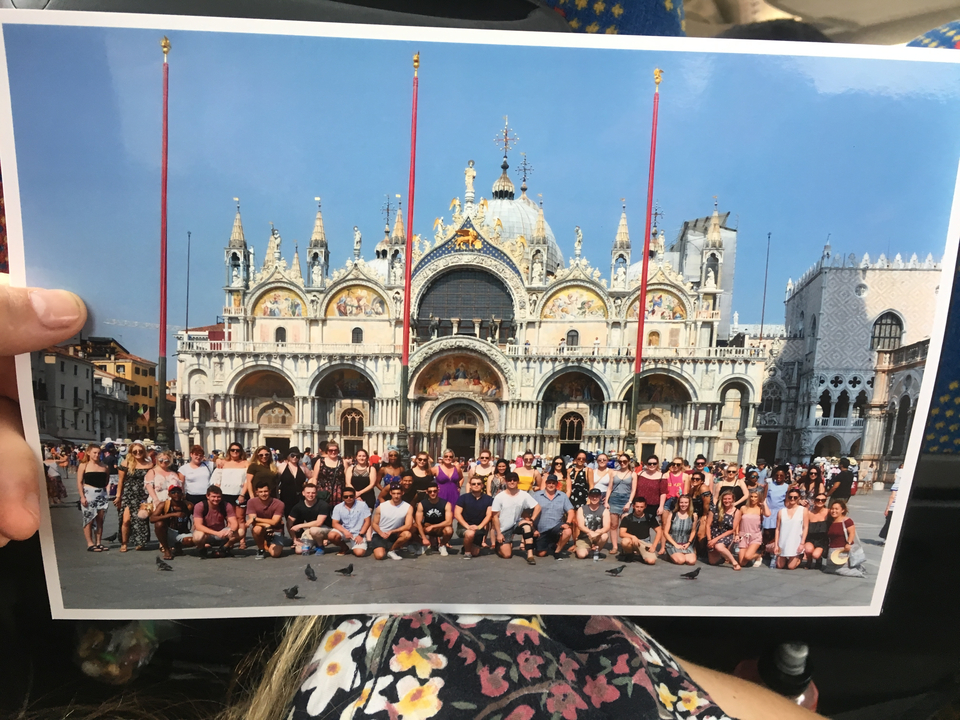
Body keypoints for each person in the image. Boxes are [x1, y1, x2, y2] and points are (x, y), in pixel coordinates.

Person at [114, 441, 154, 552]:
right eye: (135, 451)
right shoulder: (126, 463)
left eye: (140, 451)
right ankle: (124, 543)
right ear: (131, 452)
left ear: (144, 451)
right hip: (128, 494)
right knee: (126, 520)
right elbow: (120, 481)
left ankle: (140, 542)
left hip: (142, 495)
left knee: (141, 519)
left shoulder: (149, 465)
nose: (138, 453)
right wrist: (118, 496)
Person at [491, 471, 539, 563]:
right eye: (509, 480)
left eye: (514, 480)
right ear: (506, 481)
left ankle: (530, 555)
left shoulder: (524, 495)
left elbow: (537, 507)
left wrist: (532, 520)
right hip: (504, 527)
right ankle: (499, 546)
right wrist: (499, 533)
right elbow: (495, 517)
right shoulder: (500, 497)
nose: (512, 482)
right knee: (507, 555)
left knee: (527, 527)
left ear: (518, 481)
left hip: (517, 523)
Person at [76, 443, 110, 552]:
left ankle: (98, 542)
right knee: (88, 519)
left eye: (99, 453)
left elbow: (107, 480)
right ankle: (90, 543)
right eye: (94, 453)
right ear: (89, 453)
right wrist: (82, 496)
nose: (97, 455)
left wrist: (107, 492)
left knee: (100, 519)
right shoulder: (84, 465)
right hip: (88, 493)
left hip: (101, 494)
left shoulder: (104, 466)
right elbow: (79, 482)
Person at [531, 473, 574, 558]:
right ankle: (549, 544)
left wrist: (568, 523)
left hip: (556, 526)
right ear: (546, 483)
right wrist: (533, 529)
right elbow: (527, 512)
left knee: (568, 531)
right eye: (549, 483)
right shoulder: (537, 495)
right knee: (541, 554)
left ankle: (557, 551)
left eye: (553, 483)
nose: (551, 485)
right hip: (541, 529)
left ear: (556, 484)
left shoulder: (562, 496)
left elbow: (571, 511)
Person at [822, 499, 867, 578]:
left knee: (842, 570)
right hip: (832, 550)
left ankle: (858, 571)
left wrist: (848, 543)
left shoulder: (847, 521)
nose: (833, 511)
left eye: (836, 509)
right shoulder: (830, 521)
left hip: (843, 549)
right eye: (832, 509)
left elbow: (852, 533)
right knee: (830, 569)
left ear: (842, 510)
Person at [191, 485, 238, 558]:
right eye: (213, 496)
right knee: (198, 537)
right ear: (207, 496)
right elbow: (198, 526)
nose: (216, 499)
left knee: (241, 531)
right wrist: (216, 533)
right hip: (206, 533)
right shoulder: (200, 506)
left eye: (218, 497)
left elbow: (234, 523)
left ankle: (225, 547)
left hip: (221, 532)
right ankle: (202, 549)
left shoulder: (226, 505)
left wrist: (231, 531)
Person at [370, 482, 414, 560]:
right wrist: (381, 533)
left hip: (394, 533)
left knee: (407, 534)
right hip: (380, 534)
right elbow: (374, 523)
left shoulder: (408, 507)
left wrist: (392, 531)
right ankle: (381, 547)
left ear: (402, 493)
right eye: (394, 493)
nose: (396, 496)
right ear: (390, 493)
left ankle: (391, 550)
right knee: (379, 556)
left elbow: (408, 525)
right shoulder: (382, 506)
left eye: (398, 493)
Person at [149, 485, 194, 560]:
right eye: (173, 492)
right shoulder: (164, 504)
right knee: (159, 524)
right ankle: (167, 549)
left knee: (191, 541)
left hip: (182, 532)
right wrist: (172, 514)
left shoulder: (188, 505)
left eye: (178, 492)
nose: (176, 494)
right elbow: (152, 519)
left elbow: (197, 516)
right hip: (169, 532)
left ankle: (178, 546)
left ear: (182, 494)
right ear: (169, 494)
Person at [247, 480, 289, 559]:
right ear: (256, 492)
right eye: (261, 492)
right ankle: (261, 549)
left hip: (276, 530)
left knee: (275, 554)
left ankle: (268, 542)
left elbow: (274, 522)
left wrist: (255, 518)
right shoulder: (251, 502)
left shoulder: (279, 503)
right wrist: (266, 525)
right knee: (256, 529)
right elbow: (253, 522)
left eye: (265, 491)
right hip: (262, 528)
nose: (263, 494)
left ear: (269, 491)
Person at [605, 453, 638, 554]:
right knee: (613, 525)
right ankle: (615, 546)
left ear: (628, 462)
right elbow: (610, 488)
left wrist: (629, 502)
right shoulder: (614, 473)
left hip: (626, 499)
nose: (622, 463)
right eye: (620, 462)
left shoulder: (633, 474)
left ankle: (626, 545)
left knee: (626, 525)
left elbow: (633, 490)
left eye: (624, 461)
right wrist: (606, 501)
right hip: (614, 499)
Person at [455, 475, 494, 558]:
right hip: (464, 527)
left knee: (475, 553)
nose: (476, 485)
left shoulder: (489, 499)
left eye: (478, 484)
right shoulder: (463, 498)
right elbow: (457, 514)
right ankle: (467, 552)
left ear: (482, 485)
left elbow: (489, 515)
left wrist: (479, 527)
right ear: (470, 485)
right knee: (470, 534)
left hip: (479, 528)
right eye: (473, 484)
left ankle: (467, 545)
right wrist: (467, 526)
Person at [288, 483, 332, 555]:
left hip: (326, 529)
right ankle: (314, 544)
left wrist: (300, 526)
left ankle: (320, 546)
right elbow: (289, 522)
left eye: (313, 493)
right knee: (299, 550)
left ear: (316, 493)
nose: (310, 495)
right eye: (308, 493)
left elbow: (319, 523)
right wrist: (294, 539)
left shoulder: (323, 505)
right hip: (311, 530)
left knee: (314, 530)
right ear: (303, 493)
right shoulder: (298, 506)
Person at [329, 486, 371, 557]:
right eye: (346, 497)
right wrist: (345, 531)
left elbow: (367, 521)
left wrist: (361, 535)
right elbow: (334, 523)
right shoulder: (338, 507)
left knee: (359, 553)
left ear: (355, 496)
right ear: (342, 498)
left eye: (351, 496)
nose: (349, 498)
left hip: (358, 533)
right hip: (345, 531)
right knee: (332, 535)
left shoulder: (362, 505)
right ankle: (344, 547)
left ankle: (360, 546)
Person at [618, 496, 661, 564]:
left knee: (651, 561)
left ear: (645, 507)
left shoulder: (649, 517)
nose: (639, 509)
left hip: (645, 542)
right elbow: (621, 533)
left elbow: (659, 531)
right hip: (633, 541)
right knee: (625, 542)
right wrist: (632, 537)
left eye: (641, 507)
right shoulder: (628, 518)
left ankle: (641, 555)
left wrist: (654, 546)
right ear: (633, 506)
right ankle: (629, 554)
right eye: (637, 507)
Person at [414, 482, 454, 555]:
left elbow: (449, 522)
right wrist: (424, 538)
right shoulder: (422, 504)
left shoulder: (446, 504)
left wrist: (433, 526)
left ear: (438, 490)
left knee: (449, 530)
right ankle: (423, 544)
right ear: (426, 492)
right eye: (430, 491)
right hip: (426, 526)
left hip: (440, 526)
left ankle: (442, 545)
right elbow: (418, 522)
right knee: (412, 528)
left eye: (434, 491)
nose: (432, 493)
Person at [275, 447, 309, 530]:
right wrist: (277, 495)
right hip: (286, 496)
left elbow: (312, 477)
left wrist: (307, 486)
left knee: (300, 517)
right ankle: (294, 536)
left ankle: (299, 535)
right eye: (293, 455)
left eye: (297, 456)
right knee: (289, 517)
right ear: (288, 456)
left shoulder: (302, 468)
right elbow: (276, 482)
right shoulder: (282, 467)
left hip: (300, 496)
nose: (295, 458)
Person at [707, 489, 741, 570]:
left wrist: (715, 539)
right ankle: (723, 556)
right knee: (713, 562)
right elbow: (708, 525)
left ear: (733, 499)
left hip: (726, 535)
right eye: (725, 499)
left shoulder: (736, 511)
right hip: (713, 534)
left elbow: (732, 529)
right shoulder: (714, 510)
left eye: (729, 499)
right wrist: (709, 539)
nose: (727, 501)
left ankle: (734, 562)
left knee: (719, 546)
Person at [774, 488, 807, 570]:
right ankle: (784, 558)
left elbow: (805, 527)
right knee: (780, 566)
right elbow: (777, 529)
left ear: (799, 498)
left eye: (795, 497)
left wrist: (802, 543)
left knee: (791, 567)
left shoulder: (803, 510)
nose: (792, 499)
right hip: (783, 541)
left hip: (795, 541)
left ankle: (799, 557)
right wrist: (776, 545)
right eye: (790, 497)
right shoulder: (781, 511)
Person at [762, 465, 791, 559]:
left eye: (781, 476)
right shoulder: (769, 485)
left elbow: (787, 500)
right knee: (766, 532)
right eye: (777, 475)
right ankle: (765, 549)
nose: (778, 477)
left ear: (785, 476)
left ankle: (773, 549)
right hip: (769, 511)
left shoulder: (787, 487)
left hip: (780, 511)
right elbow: (764, 498)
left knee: (776, 532)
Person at [737, 488, 769, 568]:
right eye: (751, 496)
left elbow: (768, 514)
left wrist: (764, 504)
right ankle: (751, 556)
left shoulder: (760, 509)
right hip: (743, 535)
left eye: (755, 497)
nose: (753, 499)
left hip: (755, 536)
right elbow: (737, 522)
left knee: (747, 556)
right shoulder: (743, 508)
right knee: (742, 563)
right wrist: (737, 534)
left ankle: (758, 556)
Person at [662, 493, 697, 565]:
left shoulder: (693, 516)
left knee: (691, 561)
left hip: (685, 544)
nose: (683, 505)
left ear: (689, 504)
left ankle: (681, 554)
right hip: (673, 544)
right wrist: (675, 544)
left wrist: (689, 543)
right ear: (678, 503)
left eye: (686, 503)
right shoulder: (672, 515)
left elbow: (693, 531)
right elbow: (665, 532)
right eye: (681, 502)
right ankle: (670, 554)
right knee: (680, 561)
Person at [576, 487, 610, 559]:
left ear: (600, 497)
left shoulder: (605, 510)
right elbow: (580, 526)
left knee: (605, 536)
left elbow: (607, 527)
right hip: (585, 536)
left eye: (597, 496)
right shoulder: (581, 509)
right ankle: (587, 548)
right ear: (589, 497)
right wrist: (590, 532)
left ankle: (596, 551)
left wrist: (599, 532)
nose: (594, 498)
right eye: (592, 496)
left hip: (598, 535)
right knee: (581, 555)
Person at [312, 441, 346, 505]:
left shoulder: (343, 462)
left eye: (335, 450)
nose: (333, 452)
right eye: (331, 450)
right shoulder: (320, 461)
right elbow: (315, 478)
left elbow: (347, 479)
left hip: (339, 493)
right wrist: (313, 491)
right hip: (323, 493)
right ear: (327, 451)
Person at [804, 493, 830, 570]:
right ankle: (809, 561)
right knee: (808, 550)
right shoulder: (809, 513)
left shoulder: (828, 512)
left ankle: (819, 560)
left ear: (825, 501)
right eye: (818, 500)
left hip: (822, 540)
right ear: (814, 501)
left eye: (823, 500)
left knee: (816, 555)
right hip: (810, 538)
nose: (820, 501)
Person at [879, 476, 899, 545]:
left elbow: (892, 497)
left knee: (888, 523)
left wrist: (887, 508)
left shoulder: (897, 484)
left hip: (893, 508)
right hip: (901, 508)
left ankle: (886, 539)